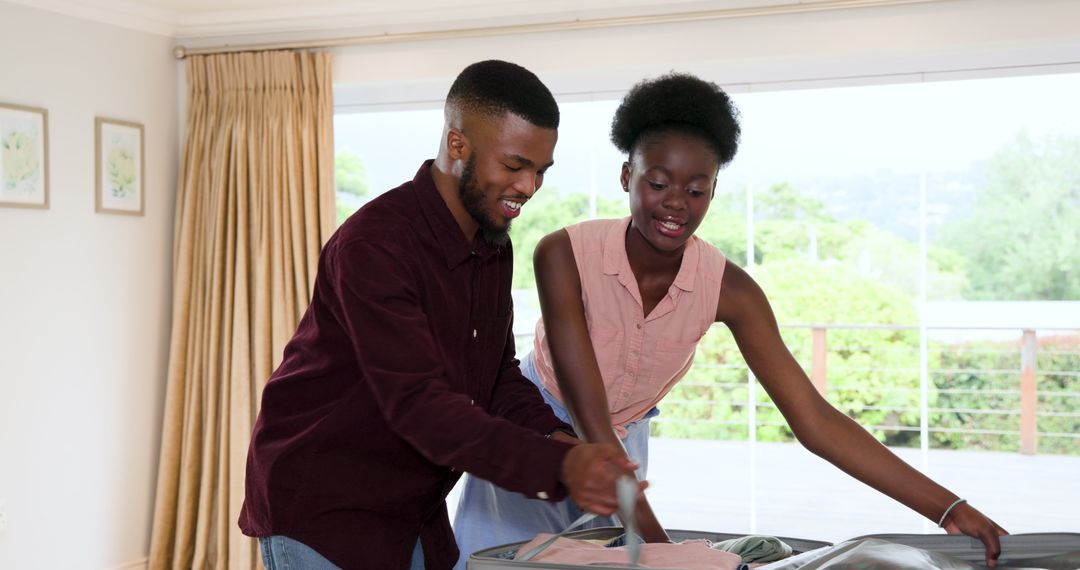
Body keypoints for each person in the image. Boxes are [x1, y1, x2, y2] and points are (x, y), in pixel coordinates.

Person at [453, 72, 1008, 568]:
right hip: (533, 426)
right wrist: (665, 551)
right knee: (498, 563)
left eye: (697, 189)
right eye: (658, 182)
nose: (676, 203)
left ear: (714, 190)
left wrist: (948, 508)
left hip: (624, 446)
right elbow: (588, 412)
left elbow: (814, 420)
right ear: (627, 176)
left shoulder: (731, 290)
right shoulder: (562, 254)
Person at [238, 59, 643, 570]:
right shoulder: (375, 244)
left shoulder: (493, 243)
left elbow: (493, 378)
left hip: (413, 507)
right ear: (458, 145)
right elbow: (420, 406)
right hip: (325, 507)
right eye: (514, 165)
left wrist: (559, 439)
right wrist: (561, 465)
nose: (529, 186)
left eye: (540, 171)